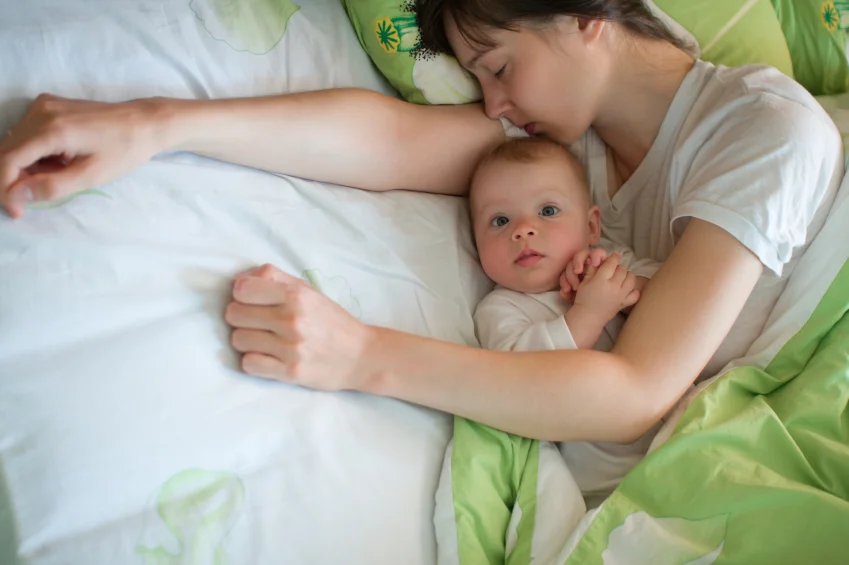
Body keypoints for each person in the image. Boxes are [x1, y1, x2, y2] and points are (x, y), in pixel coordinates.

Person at [0, 0, 842, 448]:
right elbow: (389, 139)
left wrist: (362, 354)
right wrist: (155, 125)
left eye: (500, 66)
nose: (495, 103)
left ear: (588, 17)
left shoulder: (762, 130)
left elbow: (631, 393)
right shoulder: (569, 144)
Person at [432, 135, 665, 564]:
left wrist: (625, 289)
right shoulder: (502, 309)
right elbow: (523, 381)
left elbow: (675, 308)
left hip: (671, 443)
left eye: (548, 211)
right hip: (600, 486)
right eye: (499, 221)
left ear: (591, 227)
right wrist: (588, 316)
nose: (523, 228)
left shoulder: (617, 263)